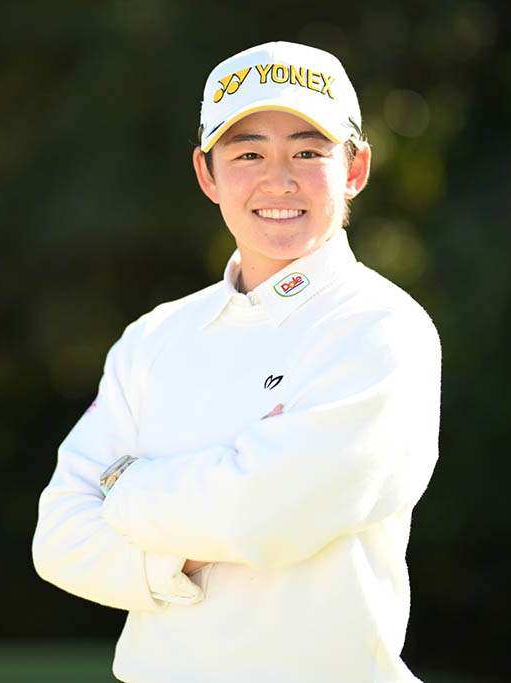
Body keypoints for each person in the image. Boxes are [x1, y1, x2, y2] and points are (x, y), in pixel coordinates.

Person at [32, 40, 441, 682]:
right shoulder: (153, 337)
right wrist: (184, 551)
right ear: (207, 174)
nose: (279, 180)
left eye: (308, 152)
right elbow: (58, 537)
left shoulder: (381, 330)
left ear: (355, 167)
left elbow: (265, 513)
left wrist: (125, 487)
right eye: (249, 153)